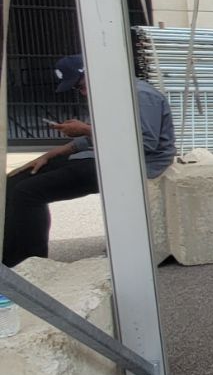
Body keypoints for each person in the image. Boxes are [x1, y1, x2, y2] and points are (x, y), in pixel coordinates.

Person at [3, 54, 175, 266]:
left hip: (134, 164)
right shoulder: (109, 95)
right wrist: (50, 155)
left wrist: (85, 129)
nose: (83, 93)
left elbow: (144, 145)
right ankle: (7, 261)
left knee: (27, 192)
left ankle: (26, 266)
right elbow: (92, 138)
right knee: (15, 180)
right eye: (78, 89)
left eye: (82, 86)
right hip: (104, 157)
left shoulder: (139, 95)